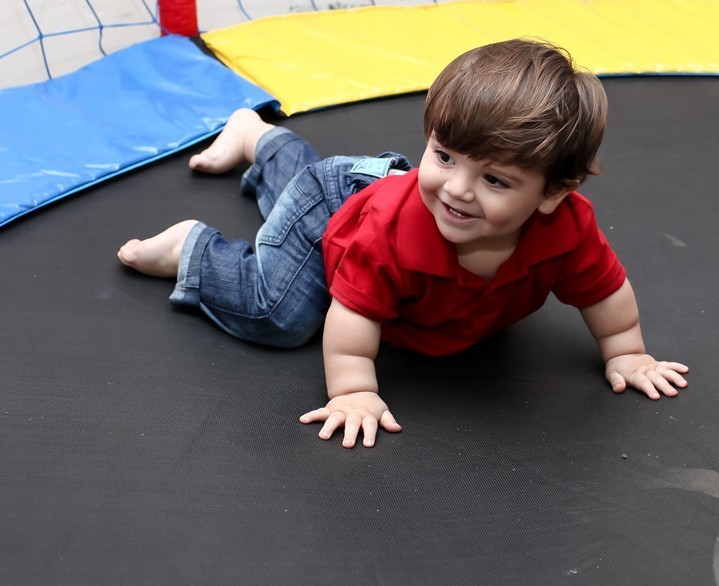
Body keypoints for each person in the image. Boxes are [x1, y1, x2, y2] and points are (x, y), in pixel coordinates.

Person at [117, 38, 689, 449]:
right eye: (444, 155)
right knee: (282, 314)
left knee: (316, 190)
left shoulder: (564, 229)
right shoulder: (394, 234)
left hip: (367, 185)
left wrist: (627, 353)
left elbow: (605, 292)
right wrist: (353, 391)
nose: (458, 189)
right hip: (339, 203)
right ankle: (192, 249)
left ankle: (258, 138)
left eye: (494, 180)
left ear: (553, 194)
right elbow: (353, 319)